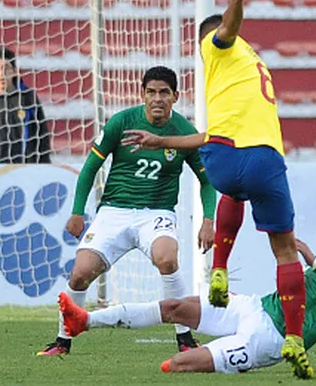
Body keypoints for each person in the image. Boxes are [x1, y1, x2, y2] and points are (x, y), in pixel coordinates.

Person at [121, 0, 312, 378]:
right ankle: (295, 337)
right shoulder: (255, 65)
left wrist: (235, 2)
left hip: (224, 156)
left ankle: (220, 268)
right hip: (265, 159)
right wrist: (163, 140)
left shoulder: (216, 44)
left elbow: (225, 29)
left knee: (231, 187)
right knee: (284, 251)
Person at [59, 199, 316, 377]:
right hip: (257, 307)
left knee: (178, 365)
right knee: (175, 307)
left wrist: (313, 262)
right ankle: (83, 321)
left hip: (271, 338)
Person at [38, 66, 217, 356]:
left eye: (164, 92)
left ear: (175, 96)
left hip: (157, 213)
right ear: (142, 94)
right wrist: (77, 211)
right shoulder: (121, 123)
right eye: (151, 92)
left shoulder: (185, 132)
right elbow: (90, 168)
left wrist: (208, 220)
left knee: (167, 259)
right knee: (80, 274)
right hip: (114, 211)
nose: (157, 98)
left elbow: (207, 180)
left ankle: (185, 338)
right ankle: (62, 341)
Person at [0, 47, 51, 163]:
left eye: (6, 68)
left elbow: (42, 135)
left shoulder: (28, 97)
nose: (1, 74)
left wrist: (43, 165)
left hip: (25, 167)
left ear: (14, 71)